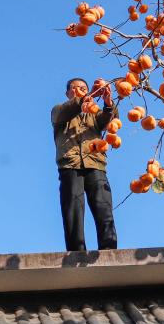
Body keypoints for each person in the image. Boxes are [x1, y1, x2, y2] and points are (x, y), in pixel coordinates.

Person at [50, 77, 118, 252]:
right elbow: (65, 112)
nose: (80, 90)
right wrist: (81, 101)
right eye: (76, 88)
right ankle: (76, 252)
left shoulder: (93, 115)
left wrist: (108, 102)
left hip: (95, 163)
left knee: (103, 207)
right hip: (70, 165)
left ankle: (109, 250)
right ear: (68, 93)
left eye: (84, 88)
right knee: (73, 210)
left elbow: (108, 122)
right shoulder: (59, 111)